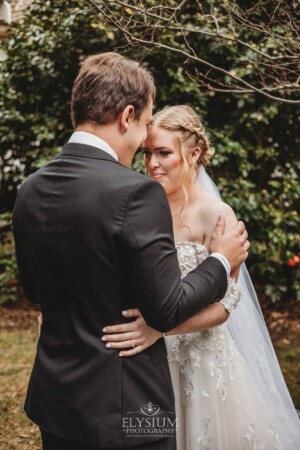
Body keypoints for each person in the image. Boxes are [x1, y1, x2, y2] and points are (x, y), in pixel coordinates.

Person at [12, 54, 249, 450]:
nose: (144, 143)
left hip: (57, 405)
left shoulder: (31, 188)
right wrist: (221, 260)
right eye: (144, 123)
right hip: (127, 412)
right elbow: (164, 310)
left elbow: (36, 291)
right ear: (127, 116)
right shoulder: (136, 193)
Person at [103, 105, 300, 449]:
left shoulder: (216, 215)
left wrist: (159, 328)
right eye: (147, 153)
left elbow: (227, 304)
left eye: (164, 153)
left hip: (203, 364)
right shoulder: (141, 208)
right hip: (151, 363)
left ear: (193, 154)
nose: (151, 164)